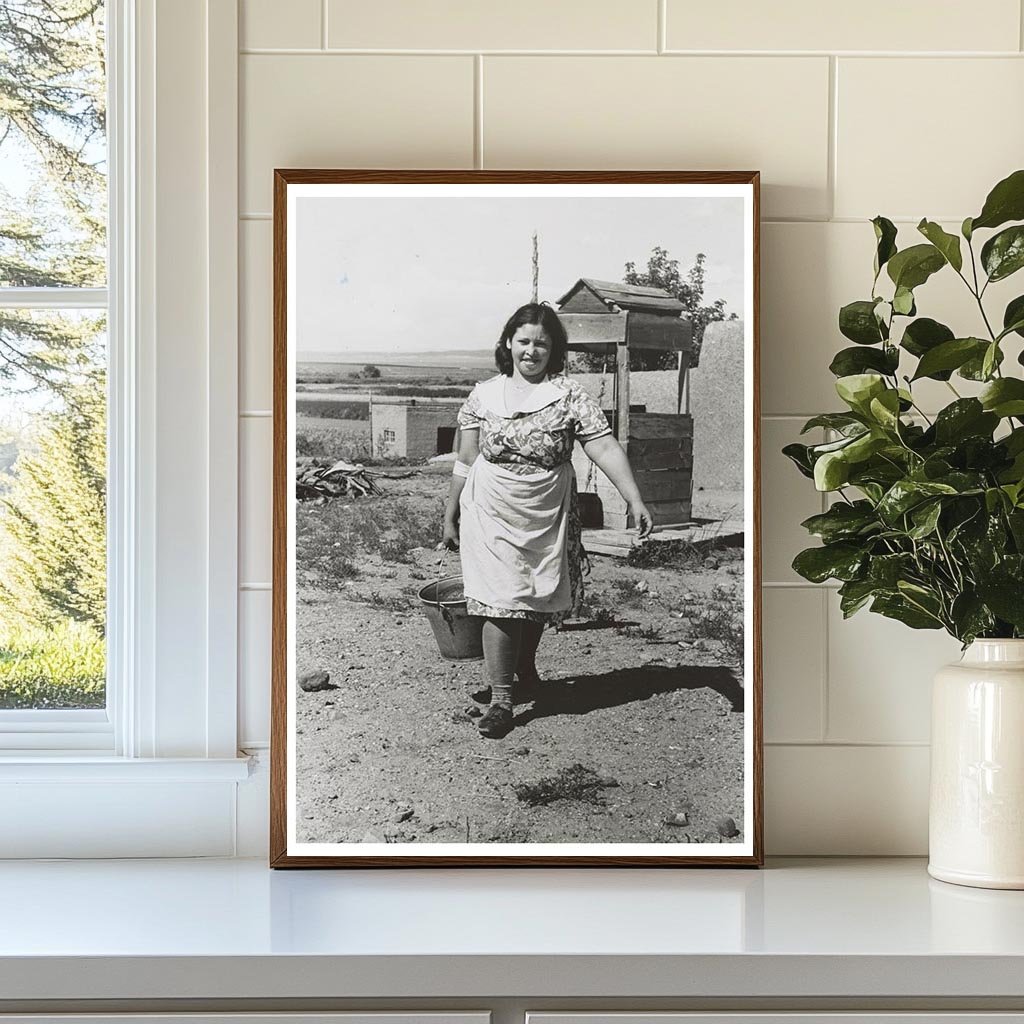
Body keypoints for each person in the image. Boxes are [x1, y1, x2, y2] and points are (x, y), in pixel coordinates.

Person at [442, 301, 653, 740]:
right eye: (523, 341)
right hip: (490, 506)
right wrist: (451, 511)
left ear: (554, 349)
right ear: (507, 343)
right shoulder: (483, 396)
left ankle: (525, 668)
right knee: (500, 599)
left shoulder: (571, 396)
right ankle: (503, 700)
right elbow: (464, 459)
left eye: (541, 343)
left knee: (536, 590)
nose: (531, 351)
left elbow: (605, 448)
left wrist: (635, 498)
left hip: (547, 507)